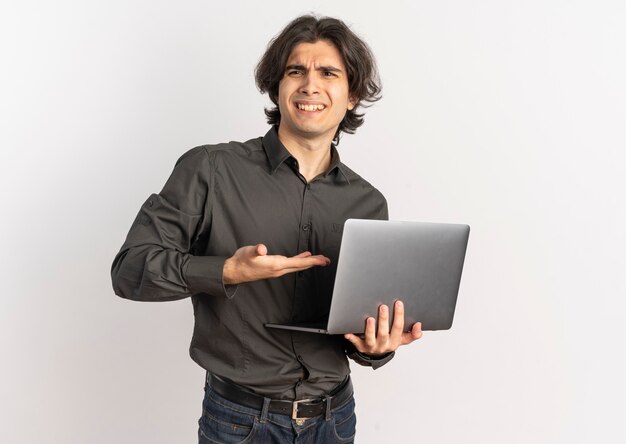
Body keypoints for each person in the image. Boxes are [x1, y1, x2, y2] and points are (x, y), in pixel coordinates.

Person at [111, 14, 423, 443]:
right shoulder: (210, 169)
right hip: (239, 422)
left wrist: (378, 347)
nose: (310, 85)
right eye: (296, 71)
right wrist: (225, 272)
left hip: (335, 420)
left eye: (328, 73)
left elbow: (355, 327)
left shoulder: (368, 202)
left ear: (351, 95)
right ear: (278, 87)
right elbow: (130, 270)